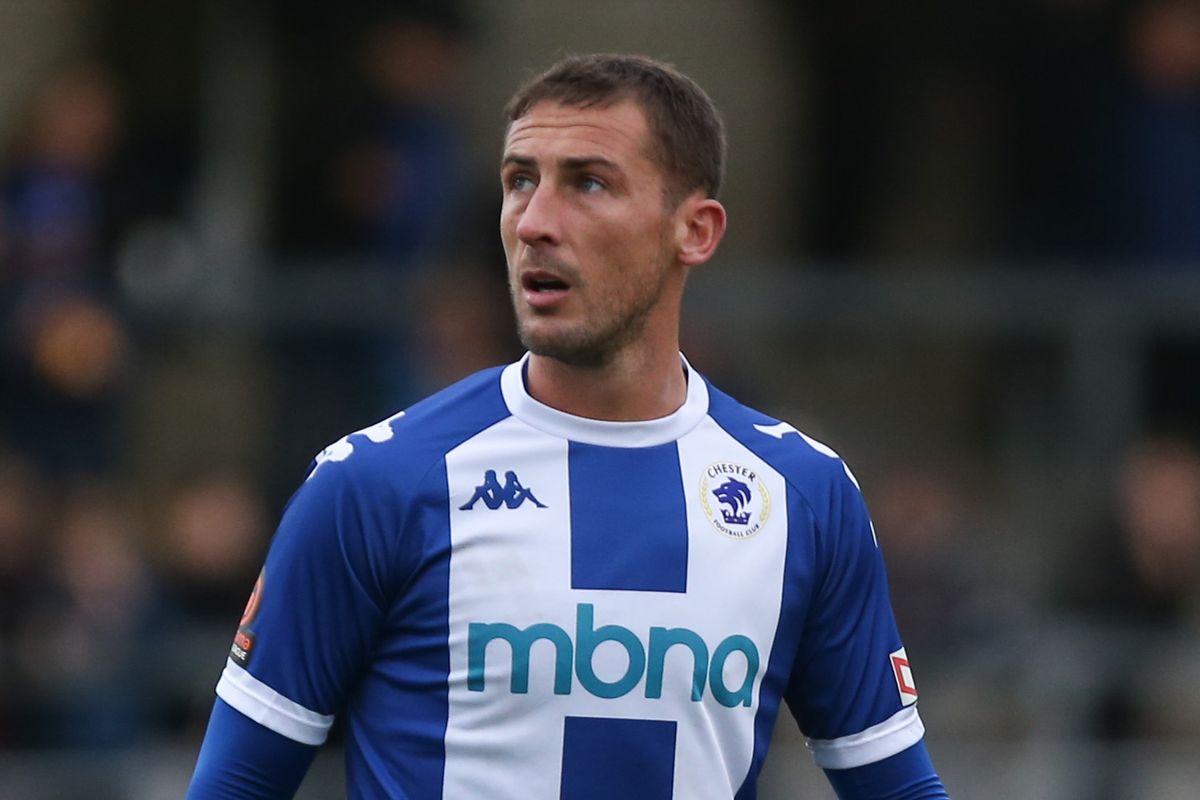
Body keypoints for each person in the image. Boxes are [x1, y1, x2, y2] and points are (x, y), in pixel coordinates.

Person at [186, 54, 949, 799]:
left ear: (696, 231)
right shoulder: (376, 484)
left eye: (588, 182)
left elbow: (897, 785)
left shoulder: (801, 495)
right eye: (520, 181)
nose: (536, 222)